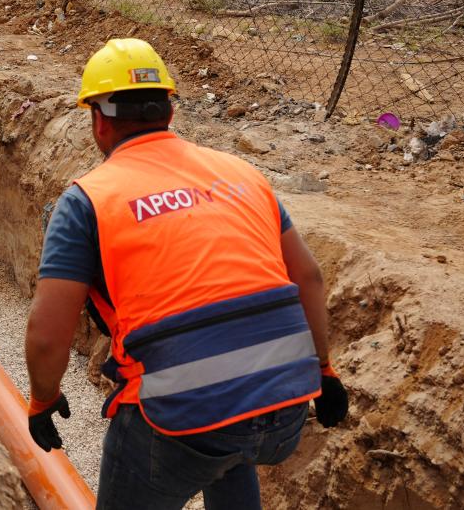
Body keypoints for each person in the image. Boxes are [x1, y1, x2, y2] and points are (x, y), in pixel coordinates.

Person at [24, 38, 348, 509]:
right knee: (230, 450)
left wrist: (42, 398)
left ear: (97, 120)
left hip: (180, 417)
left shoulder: (88, 200)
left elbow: (48, 334)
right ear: (169, 112)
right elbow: (309, 278)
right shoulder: (242, 173)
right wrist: (325, 369)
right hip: (286, 405)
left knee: (205, 436)